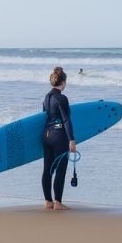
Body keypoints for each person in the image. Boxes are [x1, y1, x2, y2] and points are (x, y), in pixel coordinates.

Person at [41, 66, 76, 210]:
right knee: (60, 170)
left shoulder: (46, 97)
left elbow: (44, 116)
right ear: (62, 82)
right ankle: (58, 202)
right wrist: (71, 140)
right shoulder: (62, 98)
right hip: (59, 136)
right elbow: (66, 120)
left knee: (47, 170)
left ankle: (48, 201)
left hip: (46, 135)